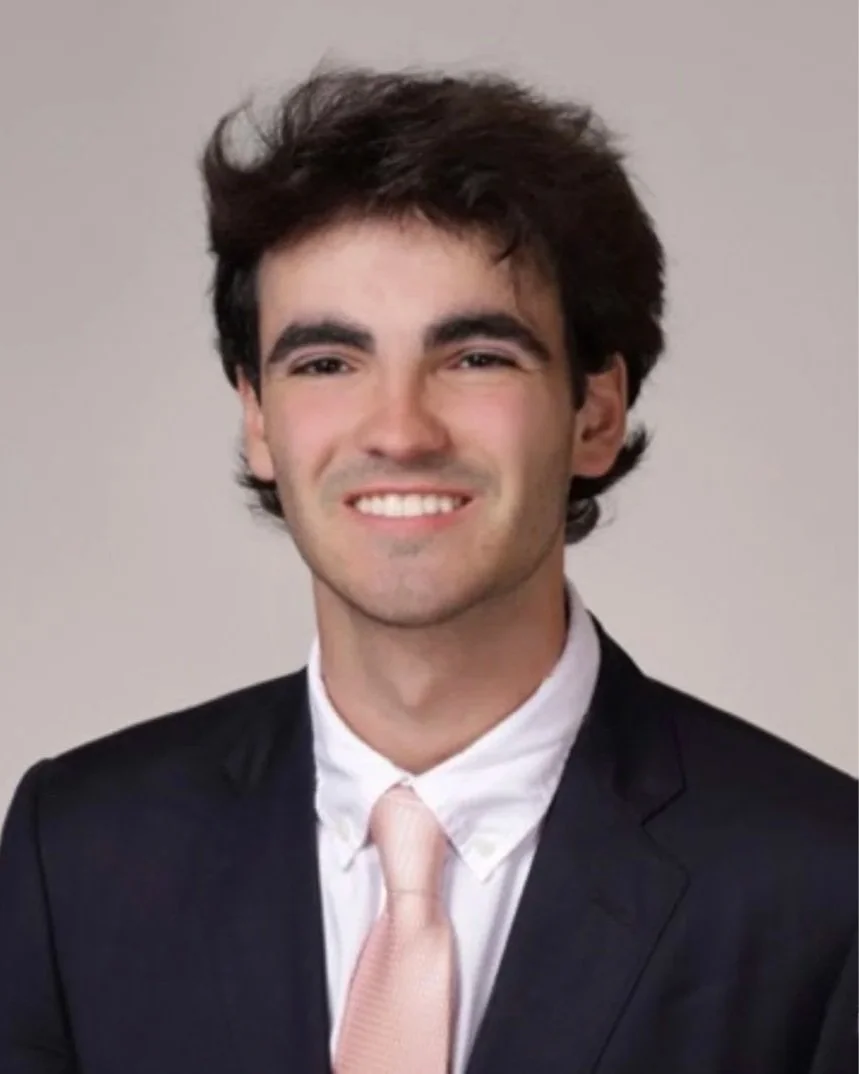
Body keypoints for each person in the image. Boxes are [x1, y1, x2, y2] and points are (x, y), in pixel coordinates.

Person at [0, 65, 855, 1074]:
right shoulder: (80, 852)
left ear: (595, 411)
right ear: (257, 418)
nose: (399, 431)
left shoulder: (823, 884)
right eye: (326, 363)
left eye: (476, 357)